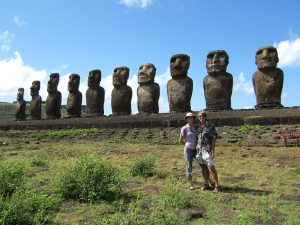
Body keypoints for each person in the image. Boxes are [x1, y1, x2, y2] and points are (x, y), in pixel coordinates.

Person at [196, 111, 220, 192]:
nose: (201, 118)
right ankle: (206, 183)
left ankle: (217, 186)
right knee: (203, 167)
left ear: (205, 117)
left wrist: (213, 151)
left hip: (207, 149)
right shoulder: (197, 127)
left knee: (211, 167)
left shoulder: (210, 126)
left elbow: (213, 140)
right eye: (200, 117)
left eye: (203, 116)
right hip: (199, 149)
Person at [179, 112, 198, 190]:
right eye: (188, 118)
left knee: (203, 164)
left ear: (193, 118)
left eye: (191, 117)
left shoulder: (197, 127)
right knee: (189, 166)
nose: (190, 119)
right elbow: (180, 140)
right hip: (188, 149)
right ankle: (190, 184)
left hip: (197, 149)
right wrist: (187, 145)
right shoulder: (184, 128)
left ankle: (208, 181)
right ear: (186, 119)